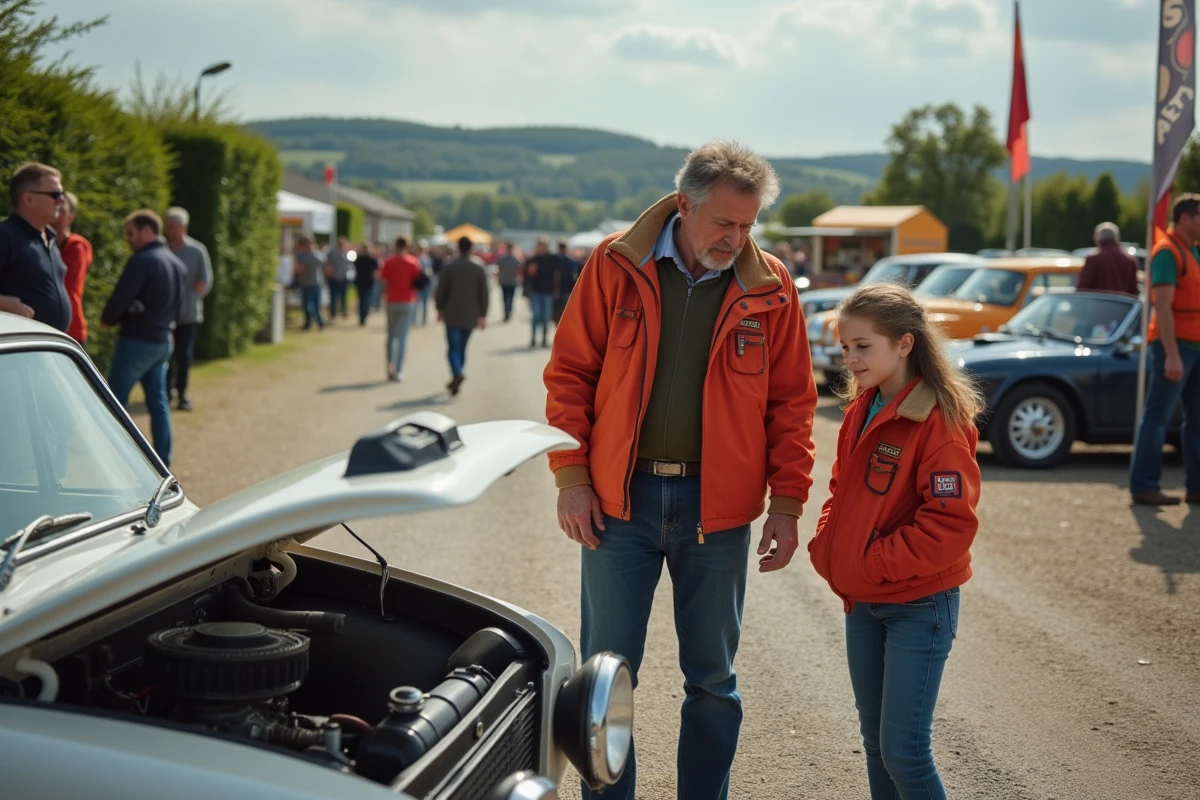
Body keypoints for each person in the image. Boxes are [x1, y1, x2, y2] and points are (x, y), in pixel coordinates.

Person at [544, 141, 818, 800]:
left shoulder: (772, 287)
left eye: (748, 226)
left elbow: (792, 405)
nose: (736, 238)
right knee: (605, 680)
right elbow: (570, 375)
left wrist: (787, 504)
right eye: (725, 223)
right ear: (684, 206)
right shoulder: (616, 263)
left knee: (714, 683)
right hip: (620, 503)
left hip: (716, 512)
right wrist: (572, 478)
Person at [808, 282, 982, 800]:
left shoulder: (939, 420)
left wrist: (869, 561)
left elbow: (950, 526)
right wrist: (829, 544)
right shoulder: (862, 407)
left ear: (905, 344)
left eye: (863, 346)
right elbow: (840, 488)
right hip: (864, 605)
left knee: (905, 751)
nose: (850, 358)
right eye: (845, 347)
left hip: (919, 607)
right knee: (877, 745)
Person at [1130, 193, 1200, 506]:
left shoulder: (1192, 251)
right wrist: (1171, 354)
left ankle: (1196, 487)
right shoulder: (1167, 253)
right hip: (1176, 347)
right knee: (1157, 416)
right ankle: (1144, 485)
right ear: (1185, 218)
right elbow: (1163, 306)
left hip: (1194, 346)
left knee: (1197, 419)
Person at [102, 210, 185, 467]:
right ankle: (162, 459)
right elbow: (180, 309)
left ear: (147, 231)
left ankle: (117, 462)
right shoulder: (176, 263)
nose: (128, 239)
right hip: (163, 342)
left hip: (137, 341)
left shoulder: (142, 261)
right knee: (158, 402)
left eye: (131, 233)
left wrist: (108, 319)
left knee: (112, 402)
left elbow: (120, 297)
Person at [0, 162, 70, 331]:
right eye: (55, 194)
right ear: (28, 199)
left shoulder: (50, 238)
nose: (62, 200)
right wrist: (3, 304)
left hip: (45, 349)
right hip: (16, 350)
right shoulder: (5, 235)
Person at [163, 207, 213, 412]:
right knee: (166, 353)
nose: (169, 230)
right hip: (165, 313)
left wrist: (190, 298)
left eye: (173, 226)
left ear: (183, 227)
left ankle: (182, 393)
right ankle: (166, 392)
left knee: (184, 355)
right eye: (168, 226)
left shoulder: (197, 250)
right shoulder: (164, 249)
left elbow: (205, 280)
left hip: (189, 314)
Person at [435, 235, 488, 396]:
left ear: (458, 247)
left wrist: (439, 308)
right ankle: (458, 374)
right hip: (471, 314)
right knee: (462, 348)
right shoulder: (479, 267)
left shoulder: (451, 266)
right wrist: (482, 314)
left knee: (453, 348)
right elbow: (484, 293)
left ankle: (457, 373)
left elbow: (441, 290)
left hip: (452, 313)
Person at [379, 236, 423, 382]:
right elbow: (418, 281)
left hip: (391, 300)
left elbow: (383, 280)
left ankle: (389, 367)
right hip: (407, 301)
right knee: (402, 338)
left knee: (391, 336)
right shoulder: (413, 262)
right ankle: (398, 370)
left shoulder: (388, 262)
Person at [55, 191, 92, 347]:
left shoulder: (77, 246)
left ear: (71, 217)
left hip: (71, 329)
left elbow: (67, 284)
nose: (55, 215)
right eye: (54, 209)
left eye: (61, 211)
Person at [1077, 222, 1139, 296]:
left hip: (1098, 306)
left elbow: (1082, 290)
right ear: (1117, 239)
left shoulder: (1093, 260)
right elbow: (1133, 292)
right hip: (1123, 307)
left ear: (1097, 240)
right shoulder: (1130, 261)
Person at [525, 236, 557, 348]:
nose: (542, 248)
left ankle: (544, 338)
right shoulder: (533, 259)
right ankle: (533, 338)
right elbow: (527, 276)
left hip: (548, 292)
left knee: (546, 316)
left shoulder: (552, 259)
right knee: (536, 315)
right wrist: (526, 291)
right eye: (540, 245)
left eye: (543, 245)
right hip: (536, 291)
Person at [294, 235, 326, 330]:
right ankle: (319, 323)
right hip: (317, 283)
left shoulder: (303, 256)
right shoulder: (319, 255)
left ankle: (311, 323)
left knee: (308, 305)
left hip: (308, 283)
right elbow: (327, 268)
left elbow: (300, 269)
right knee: (316, 305)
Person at [551, 239, 579, 327]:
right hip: (568, 290)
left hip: (556, 290)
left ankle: (556, 331)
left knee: (556, 314)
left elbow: (555, 275)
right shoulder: (572, 261)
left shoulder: (555, 259)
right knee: (565, 313)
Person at [326, 236, 352, 321]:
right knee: (333, 297)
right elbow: (328, 265)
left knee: (343, 297)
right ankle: (333, 313)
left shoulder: (346, 254)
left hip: (343, 278)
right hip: (334, 278)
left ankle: (344, 312)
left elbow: (349, 266)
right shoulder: (332, 253)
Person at [495, 240, 522, 322]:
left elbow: (499, 270)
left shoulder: (502, 258)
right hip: (512, 282)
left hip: (504, 281)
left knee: (504, 298)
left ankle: (506, 312)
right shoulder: (516, 259)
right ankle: (509, 311)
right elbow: (519, 270)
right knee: (511, 298)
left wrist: (498, 279)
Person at [354, 241, 379, 326]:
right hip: (362, 282)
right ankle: (362, 317)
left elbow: (375, 272)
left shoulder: (371, 259)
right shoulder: (359, 258)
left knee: (365, 300)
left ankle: (363, 316)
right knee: (363, 300)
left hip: (368, 282)